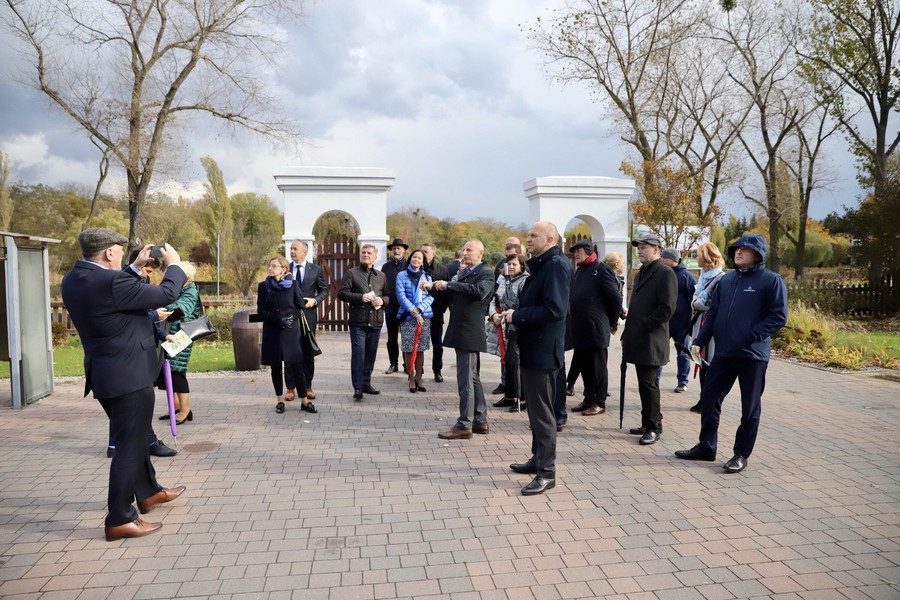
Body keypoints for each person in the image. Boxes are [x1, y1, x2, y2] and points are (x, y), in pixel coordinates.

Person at [62, 229, 187, 541]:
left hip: (105, 374)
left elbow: (113, 294)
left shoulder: (74, 279)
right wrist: (175, 266)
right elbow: (166, 293)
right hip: (130, 375)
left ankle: (148, 493)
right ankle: (120, 517)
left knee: (135, 438)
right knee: (129, 449)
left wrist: (134, 266)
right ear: (108, 254)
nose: (120, 255)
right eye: (118, 251)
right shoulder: (112, 282)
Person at [675, 234, 788, 473]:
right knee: (709, 399)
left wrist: (752, 334)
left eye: (745, 249)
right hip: (724, 354)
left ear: (757, 254)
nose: (738, 252)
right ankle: (707, 447)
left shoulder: (771, 280)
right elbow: (713, 314)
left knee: (750, 407)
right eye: (736, 249)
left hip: (752, 355)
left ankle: (741, 454)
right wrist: (699, 341)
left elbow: (778, 316)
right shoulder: (726, 281)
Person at [504, 221, 572, 495]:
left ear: (550, 238)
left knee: (543, 415)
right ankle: (537, 459)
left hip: (543, 351)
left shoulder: (555, 265)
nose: (527, 239)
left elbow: (555, 310)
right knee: (535, 411)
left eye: (533, 235)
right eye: (528, 234)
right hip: (534, 348)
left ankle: (547, 472)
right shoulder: (543, 263)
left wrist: (517, 316)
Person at [425, 239, 494, 440]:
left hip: (469, 331)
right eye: (463, 249)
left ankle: (464, 423)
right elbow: (452, 294)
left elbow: (480, 292)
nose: (465, 253)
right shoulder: (465, 272)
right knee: (472, 378)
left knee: (466, 380)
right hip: (461, 329)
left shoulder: (485, 273)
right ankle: (480, 420)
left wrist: (450, 284)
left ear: (480, 253)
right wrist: (433, 287)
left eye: (469, 250)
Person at [620, 234, 677, 446]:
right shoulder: (642, 272)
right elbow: (635, 307)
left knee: (649, 383)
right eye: (639, 247)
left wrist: (643, 326)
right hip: (639, 337)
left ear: (657, 250)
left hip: (652, 339)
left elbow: (667, 308)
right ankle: (647, 422)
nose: (640, 251)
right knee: (644, 383)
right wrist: (628, 333)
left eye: (645, 247)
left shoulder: (665, 273)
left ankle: (654, 426)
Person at [567, 239, 623, 417]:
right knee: (584, 365)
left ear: (589, 251)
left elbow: (614, 299)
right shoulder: (580, 270)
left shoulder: (601, 269)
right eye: (574, 252)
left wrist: (611, 322)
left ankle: (599, 401)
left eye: (579, 251)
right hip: (581, 328)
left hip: (596, 328)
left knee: (598, 368)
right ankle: (589, 398)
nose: (575, 254)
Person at [257, 256, 315, 414]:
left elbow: (299, 306)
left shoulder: (293, 284)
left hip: (291, 332)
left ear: (283, 269)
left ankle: (304, 400)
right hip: (272, 331)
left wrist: (291, 317)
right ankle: (280, 400)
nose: (270, 268)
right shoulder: (263, 286)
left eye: (274, 266)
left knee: (297, 366)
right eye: (269, 265)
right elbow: (261, 311)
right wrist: (278, 319)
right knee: (275, 367)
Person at [339, 244, 390, 400]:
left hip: (375, 321)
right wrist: (360, 297)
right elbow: (342, 293)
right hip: (358, 322)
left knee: (370, 355)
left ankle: (366, 383)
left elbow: (389, 297)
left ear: (375, 257)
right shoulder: (352, 273)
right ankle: (358, 387)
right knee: (359, 355)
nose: (366, 255)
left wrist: (382, 300)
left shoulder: (381, 276)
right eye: (363, 252)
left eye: (369, 253)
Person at [156, 262, 201, 424]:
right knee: (167, 370)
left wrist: (159, 305)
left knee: (177, 371)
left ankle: (185, 410)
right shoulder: (179, 289)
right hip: (172, 334)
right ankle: (175, 407)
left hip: (182, 336)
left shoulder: (190, 291)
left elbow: (182, 308)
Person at [688, 242, 727, 413]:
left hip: (710, 325)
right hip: (699, 323)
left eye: (698, 255)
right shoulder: (703, 275)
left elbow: (710, 303)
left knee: (709, 362)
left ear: (706, 258)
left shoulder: (720, 278)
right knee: (699, 361)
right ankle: (703, 398)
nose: (696, 258)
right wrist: (697, 302)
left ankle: (709, 401)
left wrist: (696, 303)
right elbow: (697, 298)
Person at [287, 240, 328, 402]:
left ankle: (307, 386)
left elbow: (323, 290)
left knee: (307, 352)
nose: (291, 251)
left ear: (304, 251)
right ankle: (290, 388)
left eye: (294, 249)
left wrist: (315, 300)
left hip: (308, 317)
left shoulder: (315, 269)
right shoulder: (286, 269)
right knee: (290, 352)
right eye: (290, 248)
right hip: (289, 316)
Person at [489, 253, 529, 411]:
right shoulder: (503, 280)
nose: (511, 267)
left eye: (514, 264)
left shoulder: (525, 281)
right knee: (508, 362)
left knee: (516, 363)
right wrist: (494, 314)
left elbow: (523, 304)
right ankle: (510, 395)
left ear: (521, 266)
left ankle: (522, 399)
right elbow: (494, 299)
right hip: (504, 328)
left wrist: (512, 314)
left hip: (517, 328)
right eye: (509, 264)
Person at [395, 249, 434, 393]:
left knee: (421, 348)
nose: (416, 260)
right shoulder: (401, 275)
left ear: (423, 262)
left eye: (419, 258)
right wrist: (414, 311)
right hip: (407, 316)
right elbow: (401, 295)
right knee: (408, 347)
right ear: (410, 259)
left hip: (424, 317)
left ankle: (419, 377)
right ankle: (410, 377)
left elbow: (431, 296)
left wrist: (420, 310)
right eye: (414, 257)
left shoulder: (427, 277)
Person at [659, 248, 696, 393]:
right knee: (660, 352)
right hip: (663, 322)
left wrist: (691, 321)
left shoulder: (687, 276)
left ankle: (682, 382)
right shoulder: (661, 275)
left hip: (682, 324)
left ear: (672, 259)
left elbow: (695, 299)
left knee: (683, 353)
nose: (661, 260)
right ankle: (654, 381)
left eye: (664, 258)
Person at [491, 237, 523, 396]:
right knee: (504, 356)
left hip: (516, 324)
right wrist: (493, 314)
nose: (508, 263)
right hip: (502, 322)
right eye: (506, 259)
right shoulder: (502, 273)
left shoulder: (525, 278)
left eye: (512, 260)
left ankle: (517, 393)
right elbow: (495, 295)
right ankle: (506, 387)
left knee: (515, 360)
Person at [421, 242, 449, 382]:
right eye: (421, 251)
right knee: (418, 343)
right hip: (419, 313)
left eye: (426, 251)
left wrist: (441, 309)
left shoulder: (442, 270)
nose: (423, 254)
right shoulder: (416, 267)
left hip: (436, 313)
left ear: (433, 253)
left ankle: (437, 370)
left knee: (437, 345)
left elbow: (447, 293)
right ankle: (417, 370)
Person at [381, 238, 409, 375]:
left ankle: (407, 364)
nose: (396, 251)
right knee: (392, 338)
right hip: (390, 307)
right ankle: (393, 363)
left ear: (404, 250)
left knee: (405, 337)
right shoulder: (386, 267)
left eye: (399, 248)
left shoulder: (408, 265)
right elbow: (382, 284)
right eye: (394, 249)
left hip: (405, 308)